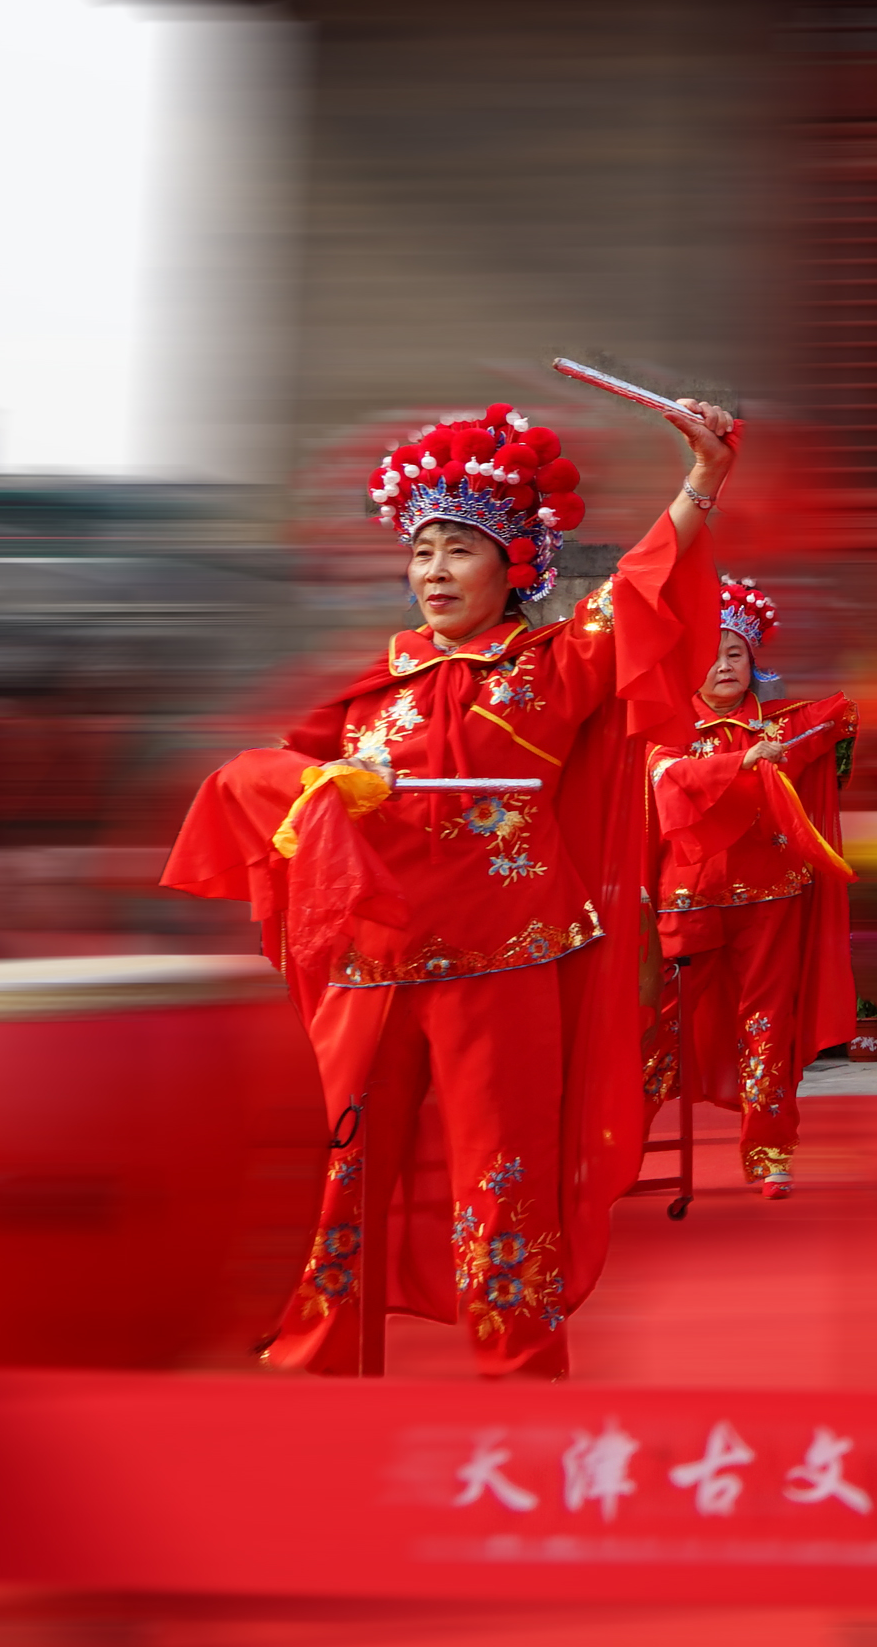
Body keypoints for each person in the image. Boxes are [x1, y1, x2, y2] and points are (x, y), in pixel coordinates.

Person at [161, 394, 736, 1378]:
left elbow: (643, 588)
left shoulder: (554, 668)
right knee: (343, 1163)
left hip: (501, 958)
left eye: (460, 550)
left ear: (513, 566)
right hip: (373, 963)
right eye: (422, 550)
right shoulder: (369, 690)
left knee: (498, 1168)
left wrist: (702, 480)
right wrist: (313, 783)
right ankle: (321, 1347)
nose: (434, 570)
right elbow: (258, 779)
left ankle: (515, 1356)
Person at [644, 573, 857, 1198]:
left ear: (754, 660)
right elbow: (670, 781)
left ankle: (768, 1150)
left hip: (771, 898)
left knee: (766, 1021)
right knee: (661, 1023)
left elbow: (835, 719)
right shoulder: (666, 731)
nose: (722, 665)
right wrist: (740, 762)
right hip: (688, 897)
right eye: (709, 653)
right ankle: (623, 1142)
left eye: (734, 651)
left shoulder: (781, 729)